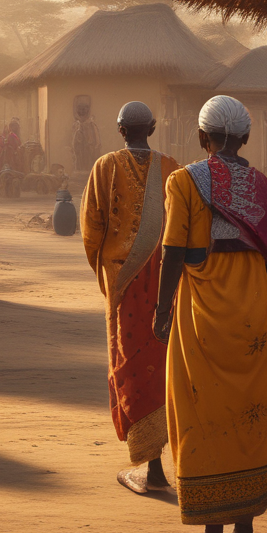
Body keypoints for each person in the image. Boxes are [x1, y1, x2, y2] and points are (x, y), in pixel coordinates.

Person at [154, 95, 267, 533]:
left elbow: (172, 250)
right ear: (246, 138)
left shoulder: (184, 181)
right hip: (254, 312)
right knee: (249, 413)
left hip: (202, 309)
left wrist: (162, 310)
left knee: (199, 411)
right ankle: (244, 531)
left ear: (202, 137)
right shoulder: (265, 188)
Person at [81, 102, 180, 494]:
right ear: (152, 128)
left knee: (129, 363)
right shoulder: (172, 168)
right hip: (164, 281)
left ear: (121, 129)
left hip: (123, 281)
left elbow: (92, 229)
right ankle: (161, 462)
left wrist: (107, 274)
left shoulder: (104, 166)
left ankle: (152, 469)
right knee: (160, 363)